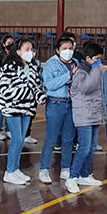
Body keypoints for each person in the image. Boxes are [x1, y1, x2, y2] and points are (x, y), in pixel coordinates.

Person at [0, 38, 45, 185]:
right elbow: (5, 90)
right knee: (17, 139)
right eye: (27, 49)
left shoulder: (32, 67)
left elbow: (35, 86)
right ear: (18, 52)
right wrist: (27, 92)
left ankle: (15, 168)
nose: (31, 52)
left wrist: (40, 96)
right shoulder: (9, 67)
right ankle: (9, 172)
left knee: (21, 139)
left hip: (27, 108)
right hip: (12, 108)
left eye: (32, 49)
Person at [67, 42, 105, 193]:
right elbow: (86, 88)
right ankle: (72, 177)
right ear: (88, 58)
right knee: (83, 147)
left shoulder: (94, 70)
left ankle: (85, 174)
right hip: (84, 115)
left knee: (91, 147)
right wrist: (96, 70)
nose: (99, 62)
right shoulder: (81, 72)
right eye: (96, 59)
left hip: (94, 114)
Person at [38, 35, 77, 185]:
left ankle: (65, 168)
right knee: (51, 138)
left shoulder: (75, 63)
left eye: (70, 48)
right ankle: (44, 169)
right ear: (57, 50)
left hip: (70, 104)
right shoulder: (50, 64)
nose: (68, 51)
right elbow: (50, 84)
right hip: (55, 103)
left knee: (68, 138)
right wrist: (69, 75)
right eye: (64, 48)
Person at [0, 34, 15, 141]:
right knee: (1, 109)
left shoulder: (15, 55)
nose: (11, 45)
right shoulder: (0, 55)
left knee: (10, 109)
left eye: (12, 43)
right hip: (2, 86)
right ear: (4, 44)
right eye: (9, 43)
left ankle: (8, 130)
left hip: (13, 87)